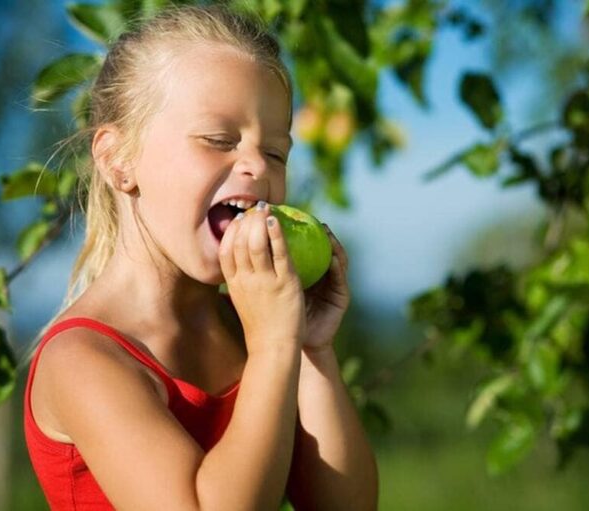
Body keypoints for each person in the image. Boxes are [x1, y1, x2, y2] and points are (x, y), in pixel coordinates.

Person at [23, 4, 378, 510]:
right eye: (218, 140)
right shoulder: (84, 359)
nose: (257, 165)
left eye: (276, 152)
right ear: (117, 159)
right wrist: (275, 345)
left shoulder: (249, 326)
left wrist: (310, 349)